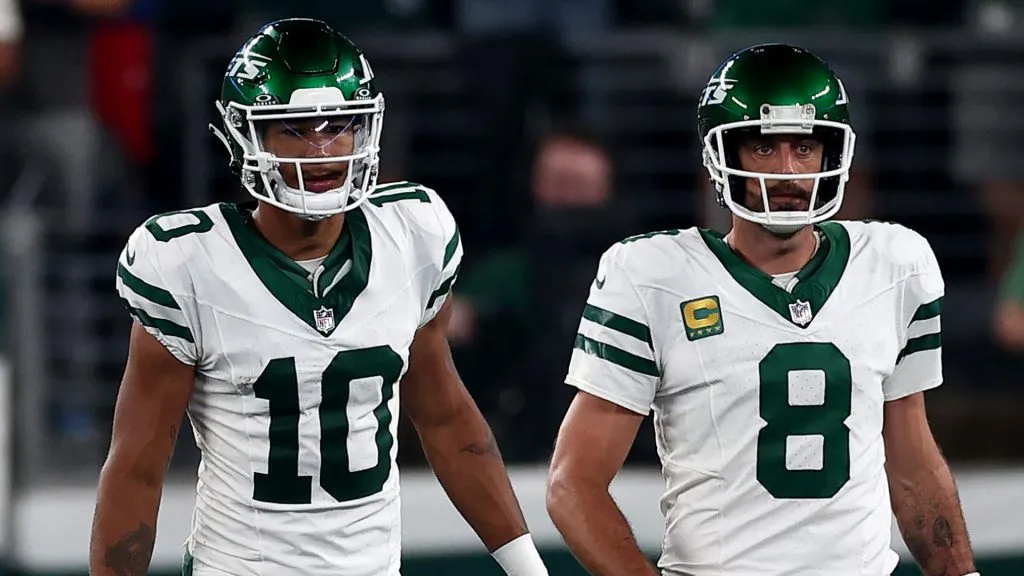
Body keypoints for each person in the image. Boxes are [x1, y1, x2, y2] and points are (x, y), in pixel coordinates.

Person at [89, 18, 549, 576]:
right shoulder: (190, 266)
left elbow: (448, 420)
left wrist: (528, 567)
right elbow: (137, 469)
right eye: (295, 128)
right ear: (247, 137)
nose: (323, 149)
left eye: (340, 125)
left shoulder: (412, 235)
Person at [546, 44, 979, 576]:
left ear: (833, 154)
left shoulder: (895, 265)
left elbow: (912, 465)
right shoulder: (653, 276)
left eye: (804, 147)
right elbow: (573, 484)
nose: (789, 172)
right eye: (764, 149)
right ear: (722, 156)